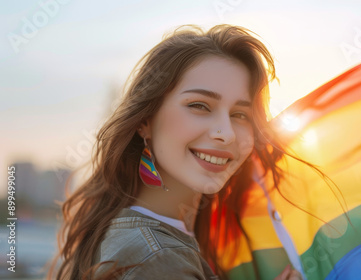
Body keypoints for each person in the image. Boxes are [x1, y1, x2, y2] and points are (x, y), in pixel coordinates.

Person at [50, 25, 304, 280]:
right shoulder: (158, 258)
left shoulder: (152, 235)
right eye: (200, 106)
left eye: (240, 114)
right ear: (145, 120)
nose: (226, 133)